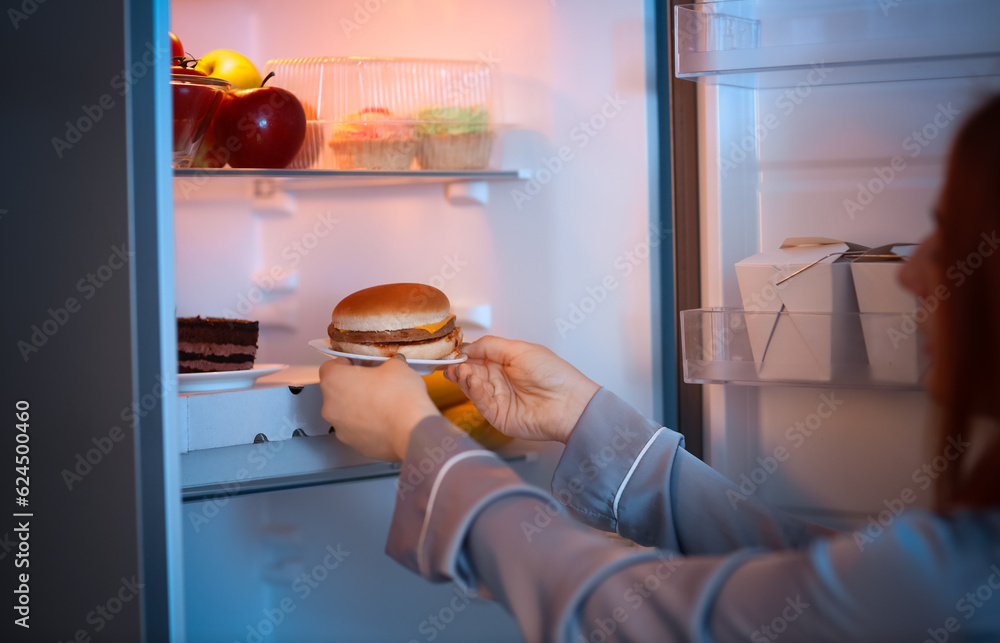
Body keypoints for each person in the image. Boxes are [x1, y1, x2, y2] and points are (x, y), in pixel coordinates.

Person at [318, 95, 1000, 642]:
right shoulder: (951, 566)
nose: (911, 272)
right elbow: (796, 567)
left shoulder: (958, 578)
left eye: (952, 240)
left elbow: (624, 609)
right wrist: (585, 417)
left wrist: (419, 435)